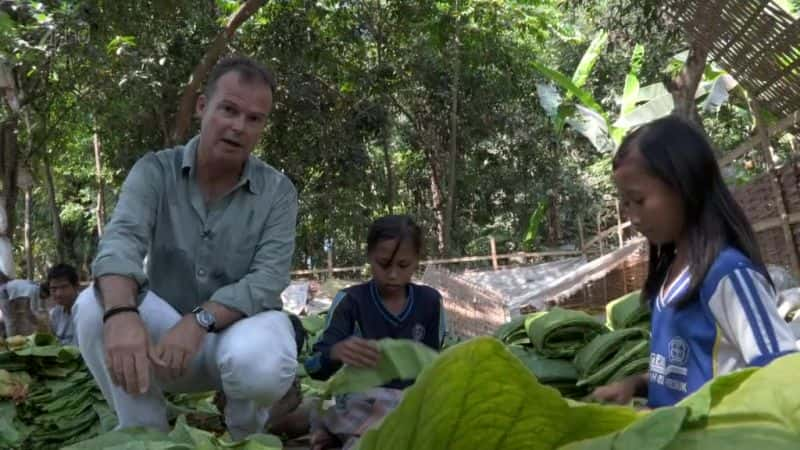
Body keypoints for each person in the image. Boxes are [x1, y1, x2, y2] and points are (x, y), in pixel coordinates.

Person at [72, 56, 299, 439]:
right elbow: (119, 243)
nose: (238, 127)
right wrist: (123, 312)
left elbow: (267, 280)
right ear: (201, 106)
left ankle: (245, 431)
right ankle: (146, 435)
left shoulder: (278, 192)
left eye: (254, 118)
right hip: (161, 345)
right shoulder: (154, 172)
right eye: (228, 109)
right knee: (94, 307)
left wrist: (199, 320)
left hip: (234, 338)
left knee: (262, 360)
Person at [592, 116, 796, 408]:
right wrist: (636, 384)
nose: (633, 218)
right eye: (625, 203)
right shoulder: (672, 275)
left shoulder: (728, 276)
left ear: (686, 188)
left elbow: (782, 373)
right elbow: (683, 377)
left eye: (638, 200)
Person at [304, 215, 446, 450]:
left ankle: (328, 431)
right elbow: (313, 368)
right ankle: (326, 428)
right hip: (356, 401)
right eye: (383, 264)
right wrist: (336, 352)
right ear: (369, 256)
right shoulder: (351, 301)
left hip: (409, 403)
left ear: (417, 261)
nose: (392, 274)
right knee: (358, 426)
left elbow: (431, 366)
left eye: (403, 266)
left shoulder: (430, 302)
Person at [46, 263, 81, 345]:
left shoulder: (86, 311)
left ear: (76, 286)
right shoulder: (55, 313)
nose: (58, 294)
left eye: (64, 287)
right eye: (54, 289)